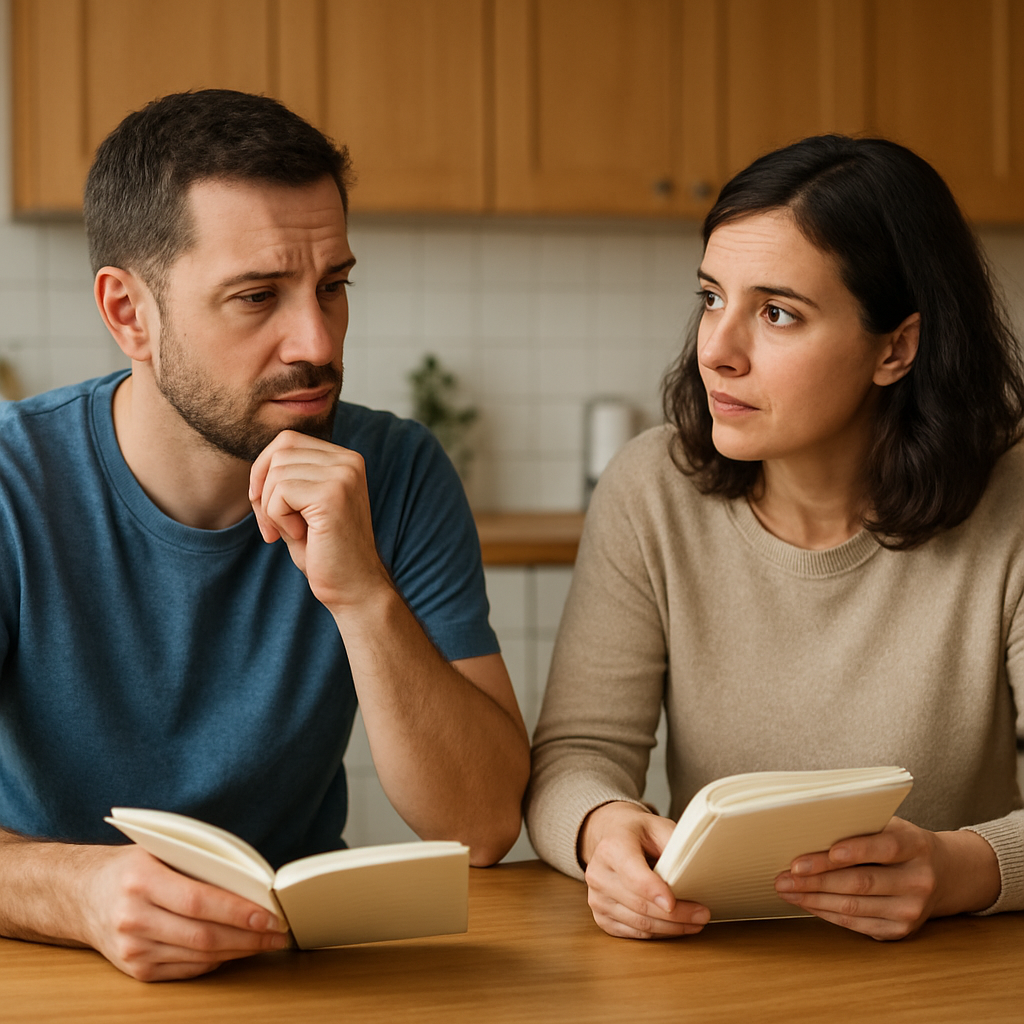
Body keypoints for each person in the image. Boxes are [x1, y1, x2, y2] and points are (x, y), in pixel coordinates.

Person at [0, 90, 529, 980]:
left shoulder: (395, 472)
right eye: (258, 297)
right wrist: (73, 891)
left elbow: (480, 827)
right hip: (50, 965)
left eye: (333, 287)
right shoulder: (13, 483)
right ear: (129, 312)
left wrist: (361, 594)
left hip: (301, 968)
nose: (317, 342)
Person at [526, 134, 1024, 942]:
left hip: (949, 973)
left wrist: (961, 870)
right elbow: (577, 756)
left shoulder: (1013, 502)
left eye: (778, 313)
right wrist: (600, 828)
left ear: (895, 348)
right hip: (713, 962)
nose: (716, 351)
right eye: (712, 298)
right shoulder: (650, 490)